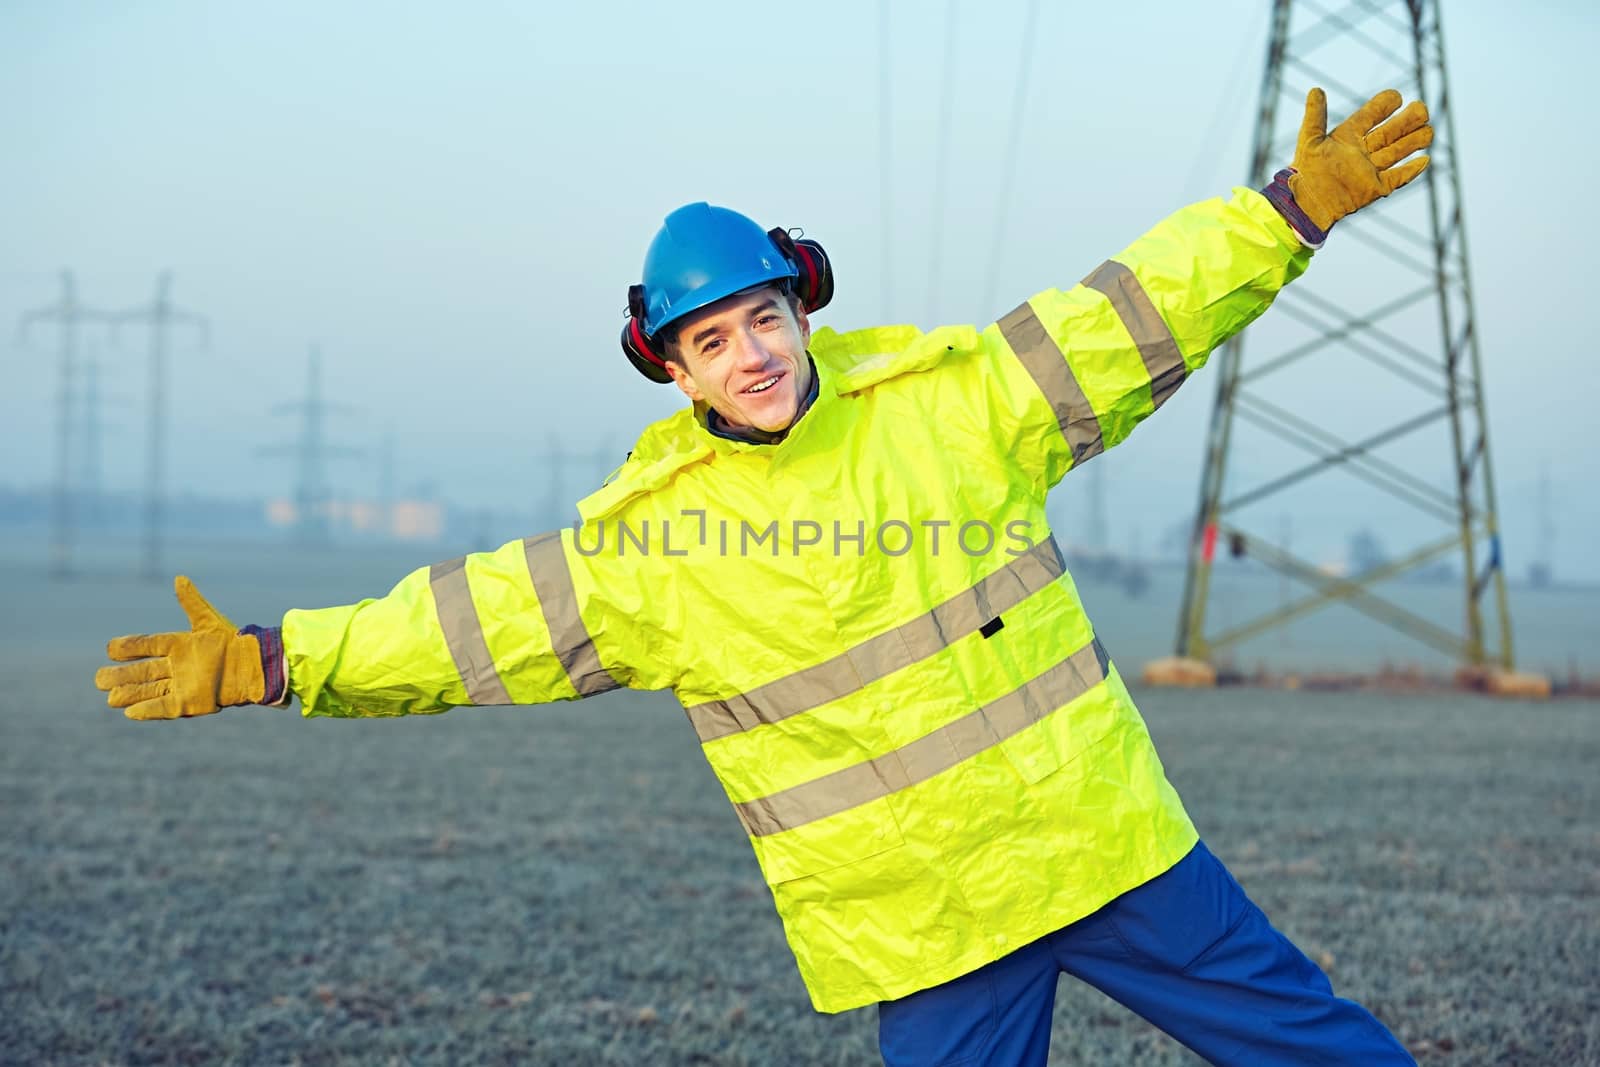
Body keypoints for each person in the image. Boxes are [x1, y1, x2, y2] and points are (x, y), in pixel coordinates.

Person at [95, 88, 1431, 1065]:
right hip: (932, 927)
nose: (753, 354)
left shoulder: (954, 405)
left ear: (805, 311)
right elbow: (470, 623)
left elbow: (1131, 313)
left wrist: (1290, 212)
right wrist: (274, 661)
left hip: (1105, 850)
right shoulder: (650, 546)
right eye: (715, 338)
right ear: (670, 369)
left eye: (766, 320)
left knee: (1324, 1055)